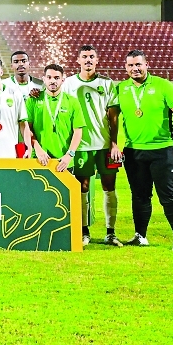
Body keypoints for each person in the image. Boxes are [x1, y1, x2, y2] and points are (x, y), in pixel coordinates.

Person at [108, 50, 173, 251]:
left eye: (138, 64)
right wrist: (114, 144)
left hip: (163, 150)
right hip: (134, 152)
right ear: (125, 67)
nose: (134, 68)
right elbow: (112, 117)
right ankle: (140, 236)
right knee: (139, 195)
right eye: (130, 65)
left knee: (169, 195)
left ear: (147, 65)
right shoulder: (121, 88)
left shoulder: (163, 85)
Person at [62, 45, 122, 246]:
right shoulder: (68, 84)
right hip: (81, 146)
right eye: (84, 56)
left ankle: (110, 232)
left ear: (97, 60)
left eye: (91, 57)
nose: (88, 60)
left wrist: (114, 144)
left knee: (109, 187)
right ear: (78, 60)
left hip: (104, 145)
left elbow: (113, 117)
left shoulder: (107, 83)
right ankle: (84, 231)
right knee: (82, 188)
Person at [26, 64, 84, 174]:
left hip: (64, 161)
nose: (52, 81)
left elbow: (78, 131)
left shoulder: (72, 102)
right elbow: (27, 129)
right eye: (49, 77)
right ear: (44, 79)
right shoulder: (33, 100)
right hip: (39, 160)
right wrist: (37, 148)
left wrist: (69, 155)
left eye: (56, 78)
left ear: (63, 80)